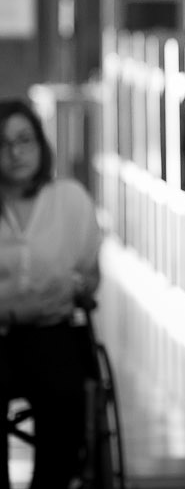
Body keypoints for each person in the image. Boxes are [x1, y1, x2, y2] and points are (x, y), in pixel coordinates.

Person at [0, 99, 102, 489]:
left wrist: (80, 285)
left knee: (63, 396)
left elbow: (90, 273)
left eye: (24, 140)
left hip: (51, 330)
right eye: (4, 143)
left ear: (40, 144)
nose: (15, 152)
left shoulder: (69, 199)